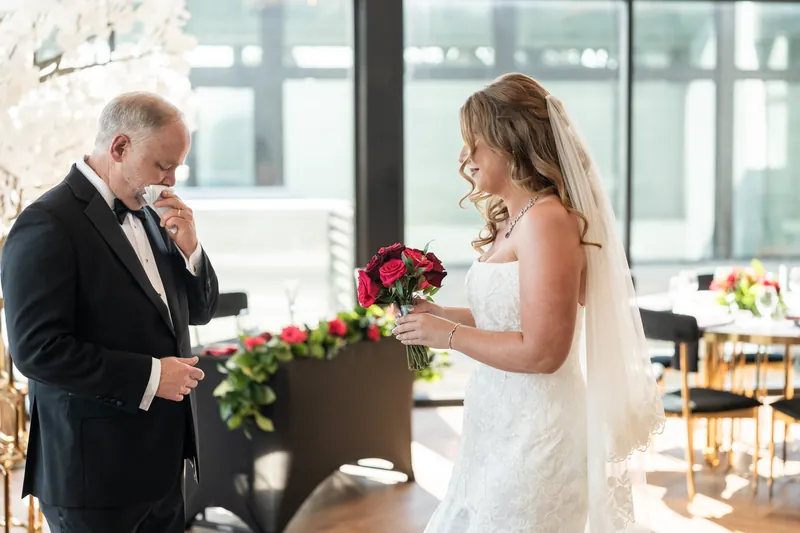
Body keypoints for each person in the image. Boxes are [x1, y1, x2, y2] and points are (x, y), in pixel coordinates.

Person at [392, 73, 665, 532]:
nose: (463, 156)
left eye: (473, 142)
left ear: (510, 142)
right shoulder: (513, 218)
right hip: (494, 423)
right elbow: (511, 316)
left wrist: (449, 336)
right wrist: (437, 316)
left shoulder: (547, 220)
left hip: (537, 436)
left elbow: (543, 352)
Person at [1, 92, 219, 533]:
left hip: (163, 467)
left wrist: (191, 250)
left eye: (177, 167)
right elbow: (37, 351)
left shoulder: (153, 212)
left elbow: (199, 311)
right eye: (163, 165)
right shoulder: (46, 223)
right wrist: (152, 376)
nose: (172, 180)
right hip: (92, 477)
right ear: (119, 147)